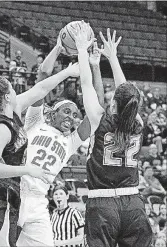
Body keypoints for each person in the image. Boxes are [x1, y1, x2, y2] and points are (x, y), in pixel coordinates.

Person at [0, 58, 80, 247]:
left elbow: (40, 89)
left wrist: (67, 72)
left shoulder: (14, 110)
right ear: (7, 97)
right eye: (12, 88)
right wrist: (27, 169)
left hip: (8, 196)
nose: (17, 91)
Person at [16, 25, 100, 247]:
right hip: (14, 191)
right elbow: (42, 77)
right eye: (67, 111)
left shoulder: (71, 141)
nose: (72, 118)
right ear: (52, 113)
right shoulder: (35, 121)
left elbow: (96, 110)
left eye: (75, 115)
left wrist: (94, 66)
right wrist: (58, 48)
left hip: (38, 202)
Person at [74, 26, 153, 246]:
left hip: (103, 204)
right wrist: (113, 58)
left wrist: (81, 50)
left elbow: (85, 83)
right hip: (133, 204)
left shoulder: (99, 119)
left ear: (114, 103)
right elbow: (127, 92)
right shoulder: (137, 122)